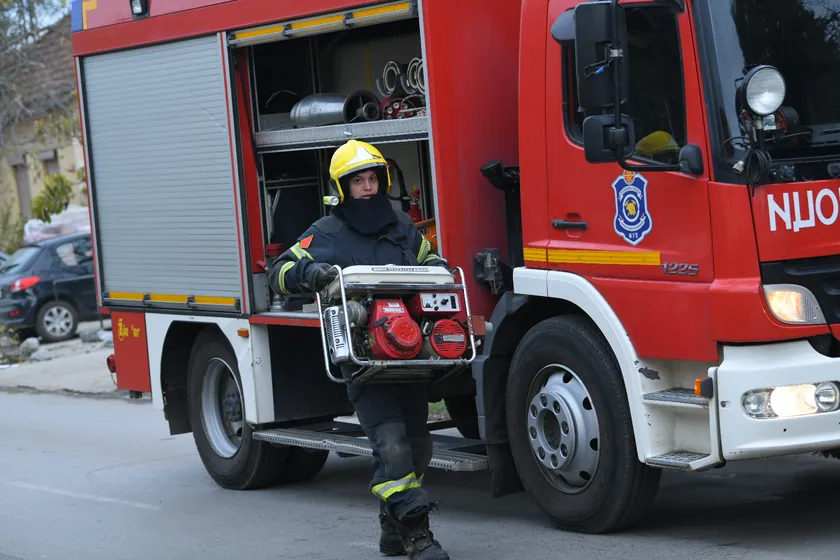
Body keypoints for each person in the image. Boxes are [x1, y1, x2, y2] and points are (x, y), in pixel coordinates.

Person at [268, 139, 451, 560]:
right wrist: (314, 275)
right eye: (358, 182)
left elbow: (431, 260)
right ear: (342, 188)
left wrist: (437, 272)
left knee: (418, 443)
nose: (367, 188)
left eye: (372, 179)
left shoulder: (402, 225)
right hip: (363, 356)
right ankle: (419, 535)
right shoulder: (326, 233)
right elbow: (281, 271)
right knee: (390, 443)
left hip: (409, 351)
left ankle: (392, 527)